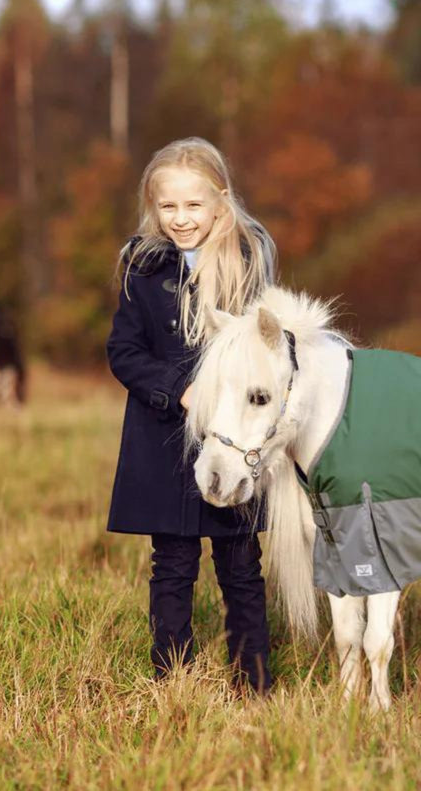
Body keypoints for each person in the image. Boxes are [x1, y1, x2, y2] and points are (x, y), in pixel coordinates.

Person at [105, 137, 278, 693]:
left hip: (233, 442)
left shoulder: (248, 261)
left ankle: (251, 682)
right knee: (173, 565)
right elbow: (124, 351)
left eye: (194, 205)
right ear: (154, 207)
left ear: (221, 201)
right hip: (162, 440)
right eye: (169, 207)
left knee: (241, 565)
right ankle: (171, 680)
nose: (181, 219)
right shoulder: (143, 265)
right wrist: (179, 390)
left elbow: (264, 349)